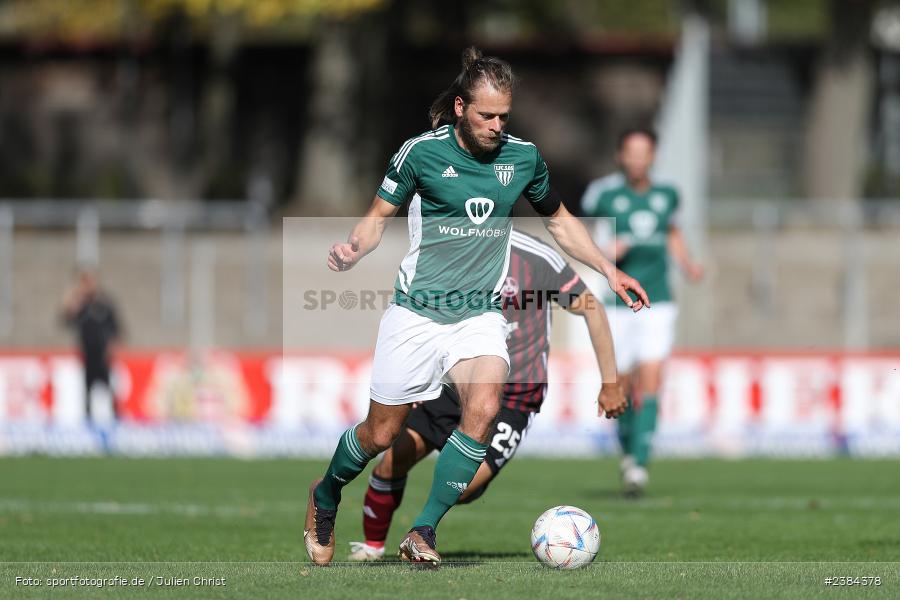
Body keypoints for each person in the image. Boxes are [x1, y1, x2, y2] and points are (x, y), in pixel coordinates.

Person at [306, 47, 649, 566]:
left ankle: (422, 531)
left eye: (504, 117)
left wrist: (609, 268)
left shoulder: (523, 158)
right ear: (462, 106)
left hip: (477, 315)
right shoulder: (420, 153)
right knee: (381, 434)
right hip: (417, 313)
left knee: (485, 407)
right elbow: (377, 216)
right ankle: (326, 493)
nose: (496, 126)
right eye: (486, 115)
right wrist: (354, 247)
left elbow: (560, 221)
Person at [346, 230, 627, 561]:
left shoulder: (537, 258)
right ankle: (373, 548)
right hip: (456, 379)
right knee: (394, 457)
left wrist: (610, 382)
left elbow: (591, 307)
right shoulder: (452, 249)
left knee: (465, 485)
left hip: (514, 394)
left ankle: (421, 529)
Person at [580, 127, 703, 496]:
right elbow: (583, 236)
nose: (637, 158)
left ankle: (639, 465)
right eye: (631, 151)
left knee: (651, 380)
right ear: (621, 156)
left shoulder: (667, 195)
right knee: (622, 385)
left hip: (658, 301)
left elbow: (672, 232)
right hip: (619, 304)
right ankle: (629, 453)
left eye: (644, 152)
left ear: (653, 156)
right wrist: (606, 252)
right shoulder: (603, 195)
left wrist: (688, 264)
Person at [61, 269, 122, 425]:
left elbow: (116, 327)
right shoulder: (81, 306)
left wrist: (112, 346)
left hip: (103, 355)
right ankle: (88, 424)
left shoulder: (104, 304)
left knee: (109, 389)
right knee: (87, 392)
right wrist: (72, 299)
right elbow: (65, 320)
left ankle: (117, 422)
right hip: (87, 355)